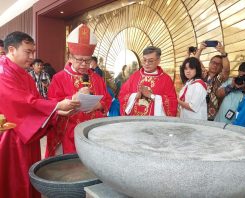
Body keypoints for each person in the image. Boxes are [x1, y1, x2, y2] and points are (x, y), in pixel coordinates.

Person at [0, 31, 80, 198]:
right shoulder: (2, 73)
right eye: (27, 52)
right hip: (10, 136)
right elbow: (21, 103)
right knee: (13, 178)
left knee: (26, 173)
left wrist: (58, 111)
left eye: (33, 52)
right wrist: (56, 105)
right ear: (12, 50)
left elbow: (34, 102)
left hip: (26, 133)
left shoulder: (23, 73)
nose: (32, 57)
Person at [46, 24, 112, 156]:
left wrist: (98, 105)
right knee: (70, 168)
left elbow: (107, 99)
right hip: (68, 131)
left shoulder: (97, 78)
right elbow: (52, 104)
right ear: (70, 57)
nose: (84, 64)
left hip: (93, 131)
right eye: (80, 60)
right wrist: (73, 99)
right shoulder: (59, 78)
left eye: (87, 61)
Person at [119, 46, 178, 116]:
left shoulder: (166, 79)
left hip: (154, 123)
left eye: (150, 61)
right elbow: (122, 95)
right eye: (144, 60)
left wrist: (151, 96)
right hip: (134, 121)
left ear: (158, 61)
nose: (146, 63)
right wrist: (135, 96)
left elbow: (172, 103)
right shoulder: (135, 76)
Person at [196, 41, 230, 121]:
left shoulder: (220, 77)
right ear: (209, 63)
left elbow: (227, 69)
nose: (215, 65)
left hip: (212, 116)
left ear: (221, 67)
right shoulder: (203, 73)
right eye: (213, 62)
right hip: (198, 111)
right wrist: (200, 49)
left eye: (218, 64)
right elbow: (195, 61)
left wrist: (223, 53)